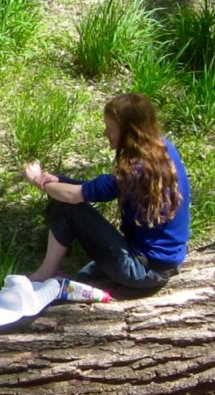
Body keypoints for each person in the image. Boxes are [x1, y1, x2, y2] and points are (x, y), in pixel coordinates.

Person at [23, 92, 190, 292]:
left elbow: (72, 196)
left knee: (65, 207)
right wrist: (60, 180)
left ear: (130, 133)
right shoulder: (162, 149)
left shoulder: (135, 171)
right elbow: (94, 188)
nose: (105, 133)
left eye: (110, 129)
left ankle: (44, 274)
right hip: (163, 263)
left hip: (144, 270)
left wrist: (37, 180)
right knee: (84, 277)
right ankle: (64, 279)